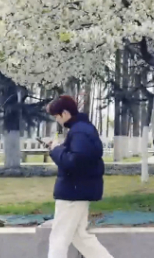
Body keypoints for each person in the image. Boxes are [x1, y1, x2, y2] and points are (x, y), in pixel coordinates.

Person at [46, 95, 113, 258]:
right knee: (80, 237)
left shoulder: (79, 131)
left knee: (59, 238)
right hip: (79, 190)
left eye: (56, 116)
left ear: (65, 113)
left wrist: (55, 150)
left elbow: (75, 162)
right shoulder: (83, 129)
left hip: (72, 192)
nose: (57, 120)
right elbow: (79, 157)